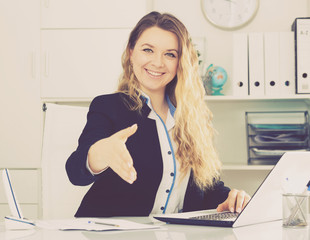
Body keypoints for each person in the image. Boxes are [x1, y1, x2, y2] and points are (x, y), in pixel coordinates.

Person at [66, 11, 250, 217]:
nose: (158, 63)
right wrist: (100, 153)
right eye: (148, 50)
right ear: (131, 52)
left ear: (180, 62)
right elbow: (75, 172)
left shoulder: (193, 117)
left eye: (170, 54)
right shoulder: (108, 106)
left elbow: (207, 187)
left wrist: (232, 198)